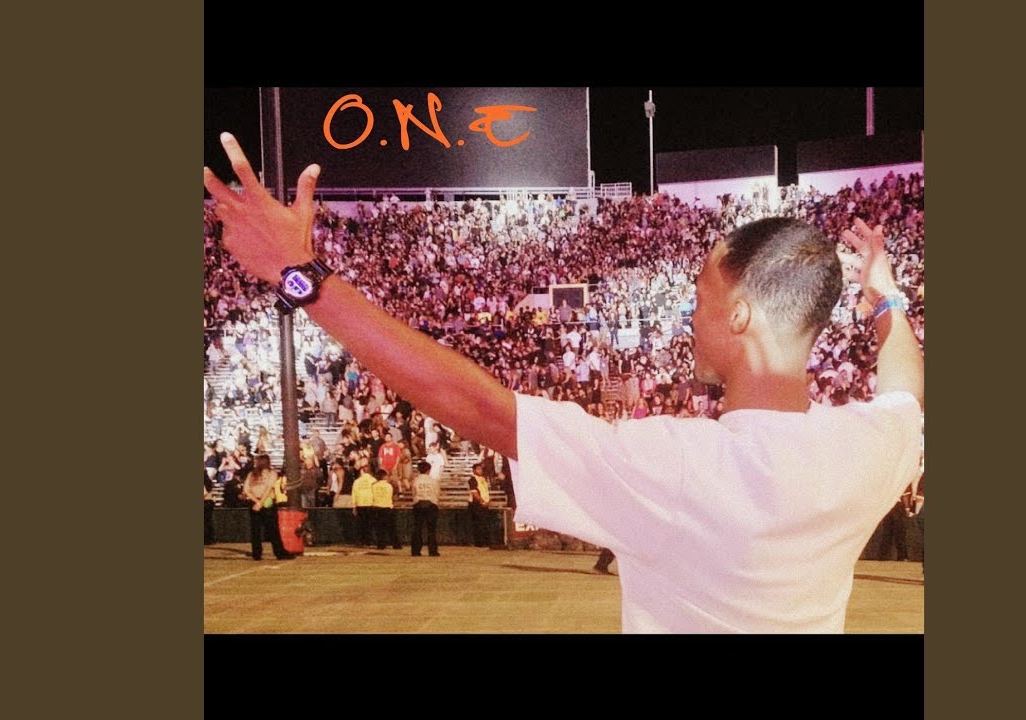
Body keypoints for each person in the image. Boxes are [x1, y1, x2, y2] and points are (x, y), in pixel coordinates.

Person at [204, 135, 923, 632]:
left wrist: (299, 276)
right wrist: (886, 295)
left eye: (700, 299)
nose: (689, 317)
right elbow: (905, 388)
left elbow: (472, 403)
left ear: (738, 314)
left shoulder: (676, 464)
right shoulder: (868, 449)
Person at [241, 454, 294, 561]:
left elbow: (246, 490)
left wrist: (256, 502)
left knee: (255, 530)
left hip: (254, 503)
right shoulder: (272, 473)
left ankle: (257, 553)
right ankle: (279, 552)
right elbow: (269, 489)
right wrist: (261, 503)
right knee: (273, 530)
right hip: (268, 502)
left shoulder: (251, 474)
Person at [411, 460, 441, 557]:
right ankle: (432, 551)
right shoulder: (433, 481)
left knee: (417, 528)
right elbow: (437, 493)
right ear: (429, 470)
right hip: (431, 504)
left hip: (418, 504)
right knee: (431, 529)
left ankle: (415, 551)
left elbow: (413, 493)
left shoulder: (415, 480)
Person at [370, 468, 401, 550]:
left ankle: (381, 545)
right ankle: (395, 544)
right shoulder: (390, 485)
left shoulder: (373, 485)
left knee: (379, 529)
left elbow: (371, 496)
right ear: (384, 476)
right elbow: (394, 497)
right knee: (391, 528)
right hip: (387, 507)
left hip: (377, 507)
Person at [467, 463, 491, 547]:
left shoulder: (483, 479)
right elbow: (475, 493)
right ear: (474, 470)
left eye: (481, 469)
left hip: (484, 504)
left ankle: (484, 541)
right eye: (478, 469)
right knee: (478, 524)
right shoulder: (472, 479)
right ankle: (479, 542)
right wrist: (482, 501)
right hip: (476, 504)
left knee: (484, 523)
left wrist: (487, 501)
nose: (480, 471)